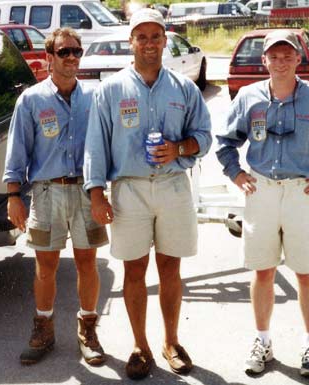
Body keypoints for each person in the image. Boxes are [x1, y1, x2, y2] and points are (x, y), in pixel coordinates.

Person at [216, 29, 309, 377]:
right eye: (273, 56)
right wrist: (236, 175)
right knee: (262, 270)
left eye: (287, 56)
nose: (280, 62)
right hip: (261, 191)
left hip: (301, 193)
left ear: (299, 59)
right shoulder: (249, 98)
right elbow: (224, 141)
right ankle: (262, 340)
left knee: (305, 272)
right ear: (263, 60)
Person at [83, 8, 212, 380]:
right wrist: (96, 194)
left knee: (171, 268)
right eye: (142, 36)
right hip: (130, 190)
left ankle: (171, 342)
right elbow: (95, 147)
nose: (150, 43)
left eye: (156, 36)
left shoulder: (184, 88)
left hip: (173, 186)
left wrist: (180, 148)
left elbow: (204, 135)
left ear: (165, 41)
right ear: (131, 42)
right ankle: (140, 345)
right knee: (134, 270)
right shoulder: (110, 90)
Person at [3, 27, 109, 366]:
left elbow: (106, 146)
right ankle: (44, 329)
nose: (72, 58)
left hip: (85, 191)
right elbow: (17, 152)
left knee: (87, 262)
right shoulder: (32, 100)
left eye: (77, 51)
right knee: (45, 265)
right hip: (47, 193)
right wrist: (13, 195)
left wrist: (105, 191)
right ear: (49, 58)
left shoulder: (94, 98)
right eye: (65, 52)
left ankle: (88, 330)